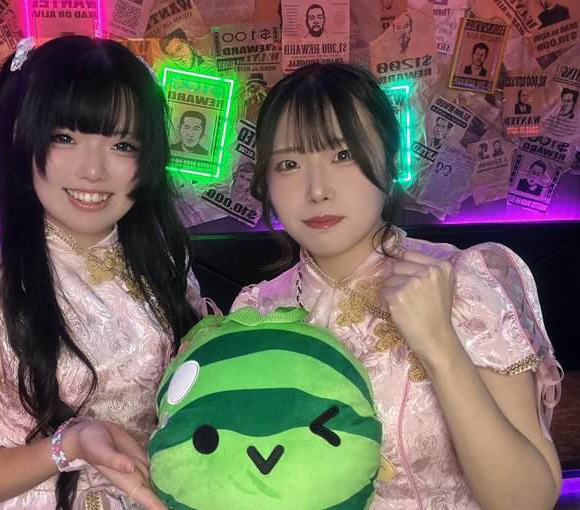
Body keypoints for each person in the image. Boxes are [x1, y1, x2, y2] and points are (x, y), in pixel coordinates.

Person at [232, 62, 562, 509]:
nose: (317, 190)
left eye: (343, 154)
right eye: (289, 163)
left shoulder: (464, 281)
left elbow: (529, 500)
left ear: (390, 161)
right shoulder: (255, 316)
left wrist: (440, 345)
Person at [0, 36, 202, 510]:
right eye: (65, 137)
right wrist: (70, 444)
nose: (93, 171)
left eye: (122, 144)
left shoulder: (163, 263)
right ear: (23, 137)